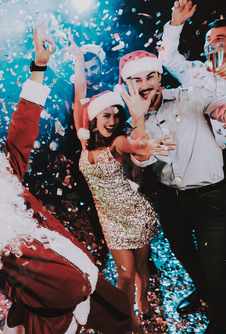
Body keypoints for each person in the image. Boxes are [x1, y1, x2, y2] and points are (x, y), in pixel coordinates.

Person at [0, 26, 133, 334]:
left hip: (91, 288)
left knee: (125, 322)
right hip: (51, 319)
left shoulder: (8, 180)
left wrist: (39, 66)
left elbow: (24, 125)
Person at [64, 35, 175, 332]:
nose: (112, 120)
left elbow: (130, 146)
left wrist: (143, 144)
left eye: (116, 115)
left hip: (135, 214)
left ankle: (143, 299)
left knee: (141, 267)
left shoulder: (118, 142)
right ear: (94, 118)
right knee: (124, 274)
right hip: (110, 221)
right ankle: (130, 319)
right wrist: (77, 59)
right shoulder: (84, 137)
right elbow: (80, 94)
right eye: (106, 115)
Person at [119, 50, 226, 334]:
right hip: (171, 200)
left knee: (213, 264)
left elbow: (220, 108)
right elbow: (144, 160)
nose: (144, 84)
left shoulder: (188, 96)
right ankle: (204, 293)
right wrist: (139, 119)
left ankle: (221, 318)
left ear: (159, 77)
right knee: (184, 254)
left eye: (150, 76)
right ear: (126, 84)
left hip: (211, 198)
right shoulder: (132, 118)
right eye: (136, 79)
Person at [24, 39, 111, 267]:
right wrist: (40, 54)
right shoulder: (71, 89)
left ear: (102, 67)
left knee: (107, 205)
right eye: (85, 68)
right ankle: (93, 252)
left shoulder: (110, 93)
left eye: (94, 68)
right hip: (76, 159)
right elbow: (48, 76)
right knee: (89, 205)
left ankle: (123, 249)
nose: (90, 73)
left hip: (106, 161)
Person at [158, 0, 226, 149]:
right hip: (201, 155)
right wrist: (176, 24)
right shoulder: (196, 70)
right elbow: (167, 59)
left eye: (219, 39)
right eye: (208, 40)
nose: (211, 44)